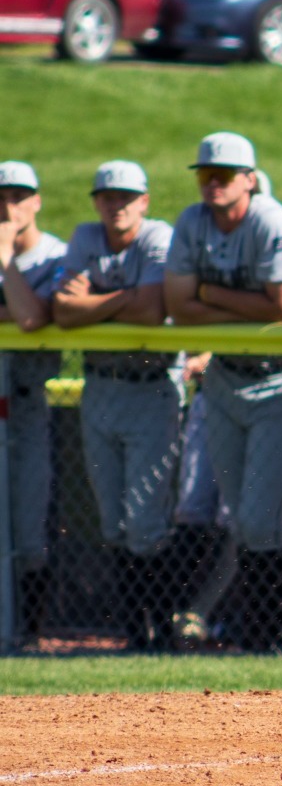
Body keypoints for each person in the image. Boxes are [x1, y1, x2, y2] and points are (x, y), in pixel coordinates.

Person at [163, 133, 282, 651]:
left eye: (225, 174)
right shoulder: (191, 221)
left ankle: (275, 633)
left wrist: (210, 294)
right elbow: (179, 305)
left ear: (249, 179)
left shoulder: (269, 219)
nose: (213, 182)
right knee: (242, 518)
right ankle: (265, 637)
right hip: (226, 378)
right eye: (206, 173)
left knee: (258, 518)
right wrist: (249, 304)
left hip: (281, 380)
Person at [51, 160, 180, 650]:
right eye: (108, 196)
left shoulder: (155, 237)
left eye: (127, 197)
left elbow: (152, 309)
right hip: (100, 384)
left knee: (147, 520)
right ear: (96, 201)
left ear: (144, 201)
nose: (117, 204)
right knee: (113, 520)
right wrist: (126, 298)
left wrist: (99, 301)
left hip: (150, 385)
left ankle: (162, 630)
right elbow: (63, 313)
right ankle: (133, 632)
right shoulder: (87, 236)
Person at [0, 161, 66, 639]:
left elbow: (30, 319)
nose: (8, 206)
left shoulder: (55, 255)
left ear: (37, 200)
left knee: (28, 534)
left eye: (19, 195)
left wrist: (3, 257)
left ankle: (31, 635)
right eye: (1, 196)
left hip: (25, 406)